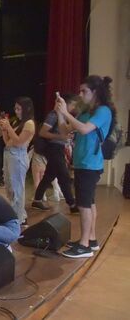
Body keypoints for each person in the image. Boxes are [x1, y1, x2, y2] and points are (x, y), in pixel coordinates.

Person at [56, 75, 115, 258]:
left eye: (84, 91)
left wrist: (66, 113)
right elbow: (65, 131)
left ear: (95, 92)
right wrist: (60, 112)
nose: (80, 94)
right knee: (89, 202)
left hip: (90, 164)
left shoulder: (103, 110)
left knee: (83, 205)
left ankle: (84, 246)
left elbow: (84, 129)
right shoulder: (86, 111)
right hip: (82, 163)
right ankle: (91, 240)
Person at [31, 94, 79, 213]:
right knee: (63, 175)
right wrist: (61, 137)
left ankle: (37, 200)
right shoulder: (53, 115)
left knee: (49, 175)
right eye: (73, 104)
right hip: (53, 148)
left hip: (58, 148)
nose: (73, 108)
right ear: (66, 103)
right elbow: (43, 132)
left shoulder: (62, 116)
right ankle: (72, 204)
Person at [0, 97, 35, 225]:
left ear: (27, 109)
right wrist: (4, 130)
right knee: (9, 187)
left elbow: (19, 143)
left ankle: (18, 219)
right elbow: (7, 142)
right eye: (15, 108)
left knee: (17, 188)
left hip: (18, 157)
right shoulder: (18, 122)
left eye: (19, 109)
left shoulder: (29, 123)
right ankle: (18, 215)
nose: (17, 111)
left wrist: (8, 127)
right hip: (9, 155)